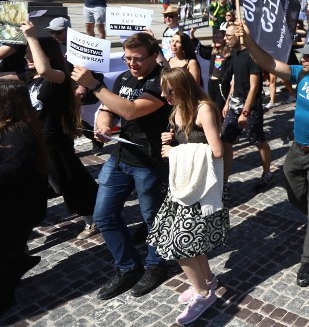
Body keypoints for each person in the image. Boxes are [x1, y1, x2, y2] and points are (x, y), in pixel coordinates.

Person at [236, 25, 309, 288]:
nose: (303, 59)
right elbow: (267, 61)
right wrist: (249, 39)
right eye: (303, 55)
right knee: (292, 193)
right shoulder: (301, 74)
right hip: (296, 151)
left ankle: (308, 260)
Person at [70, 33, 171, 300]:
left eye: (137, 59)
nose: (131, 64)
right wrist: (103, 122)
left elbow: (131, 110)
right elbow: (109, 108)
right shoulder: (125, 77)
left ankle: (156, 266)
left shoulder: (163, 80)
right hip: (119, 156)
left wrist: (93, 84)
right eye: (127, 58)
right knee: (103, 216)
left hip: (149, 162)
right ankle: (128, 267)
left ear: (153, 56)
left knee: (152, 220)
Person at [147, 68, 228, 325]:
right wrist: (172, 140)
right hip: (184, 186)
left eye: (169, 90)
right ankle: (207, 282)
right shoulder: (177, 109)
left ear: (183, 87)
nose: (164, 95)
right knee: (192, 243)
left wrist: (177, 153)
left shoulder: (203, 109)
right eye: (163, 89)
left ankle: (204, 296)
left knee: (180, 245)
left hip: (201, 188)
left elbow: (216, 151)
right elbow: (190, 143)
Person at [17, 24, 99, 240]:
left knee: (71, 181)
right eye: (26, 54)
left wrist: (32, 37)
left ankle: (92, 219)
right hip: (34, 142)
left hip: (54, 141)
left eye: (31, 53)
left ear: (47, 55)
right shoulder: (28, 78)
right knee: (35, 187)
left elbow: (45, 70)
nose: (27, 57)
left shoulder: (59, 78)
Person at [0, 81, 48, 314]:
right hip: (10, 204)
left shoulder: (19, 132)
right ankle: (20, 261)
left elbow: (13, 170)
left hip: (18, 206)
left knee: (6, 253)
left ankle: (5, 297)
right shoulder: (8, 127)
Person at [220, 25, 271, 188]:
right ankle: (225, 178)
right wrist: (228, 101)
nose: (226, 39)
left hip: (250, 106)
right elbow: (235, 80)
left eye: (229, 36)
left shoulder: (252, 56)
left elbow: (254, 86)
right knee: (226, 140)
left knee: (257, 140)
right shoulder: (235, 53)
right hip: (234, 103)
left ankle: (267, 173)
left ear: (238, 36)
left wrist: (245, 112)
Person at [189, 28, 232, 112]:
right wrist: (192, 34)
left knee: (219, 109)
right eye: (215, 37)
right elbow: (200, 47)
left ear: (225, 39)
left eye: (220, 38)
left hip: (222, 84)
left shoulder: (230, 55)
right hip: (211, 83)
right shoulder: (213, 52)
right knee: (212, 108)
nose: (217, 39)